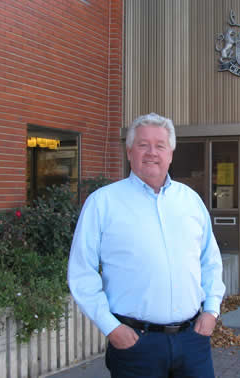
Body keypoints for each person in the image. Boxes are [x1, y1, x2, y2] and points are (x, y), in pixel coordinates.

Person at [67, 113, 226, 377]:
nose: (152, 152)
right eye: (143, 145)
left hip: (193, 340)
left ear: (171, 154)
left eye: (160, 145)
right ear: (129, 152)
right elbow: (81, 272)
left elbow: (210, 261)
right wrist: (112, 328)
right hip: (136, 345)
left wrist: (211, 311)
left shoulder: (191, 201)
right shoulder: (103, 203)